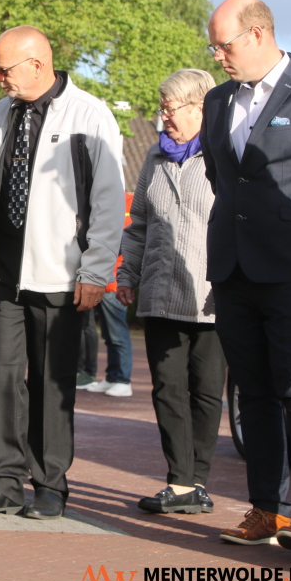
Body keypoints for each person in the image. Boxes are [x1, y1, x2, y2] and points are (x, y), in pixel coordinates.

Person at [0, 26, 124, 519]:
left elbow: (109, 198)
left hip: (59, 273)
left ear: (37, 64)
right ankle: (3, 482)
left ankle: (50, 485)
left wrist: (96, 269)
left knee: (52, 381)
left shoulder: (89, 114)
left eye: (3, 69)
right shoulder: (2, 111)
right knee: (3, 379)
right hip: (1, 271)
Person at [202, 0, 291, 558]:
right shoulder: (216, 100)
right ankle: (267, 508)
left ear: (257, 34)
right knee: (252, 388)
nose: (217, 56)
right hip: (233, 267)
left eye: (223, 45)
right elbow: (221, 178)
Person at [116, 68, 225, 514]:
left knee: (207, 391)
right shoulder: (154, 157)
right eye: (162, 108)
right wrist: (127, 274)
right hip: (160, 293)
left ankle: (197, 481)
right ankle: (180, 482)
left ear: (200, 108)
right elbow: (139, 223)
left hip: (212, 296)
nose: (164, 116)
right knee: (167, 389)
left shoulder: (224, 155)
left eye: (171, 108)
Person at [80, 192, 134, 396]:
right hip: (99, 278)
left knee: (117, 334)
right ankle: (112, 377)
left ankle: (123, 380)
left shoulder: (129, 202)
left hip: (114, 281)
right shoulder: (100, 200)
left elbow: (126, 240)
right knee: (109, 335)